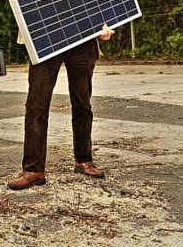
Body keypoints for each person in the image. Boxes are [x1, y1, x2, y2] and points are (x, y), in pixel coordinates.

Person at [7, 26, 114, 190]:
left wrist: (103, 24)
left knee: (82, 104)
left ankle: (84, 160)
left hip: (82, 38)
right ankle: (33, 170)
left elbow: (99, 1)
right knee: (36, 106)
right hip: (44, 35)